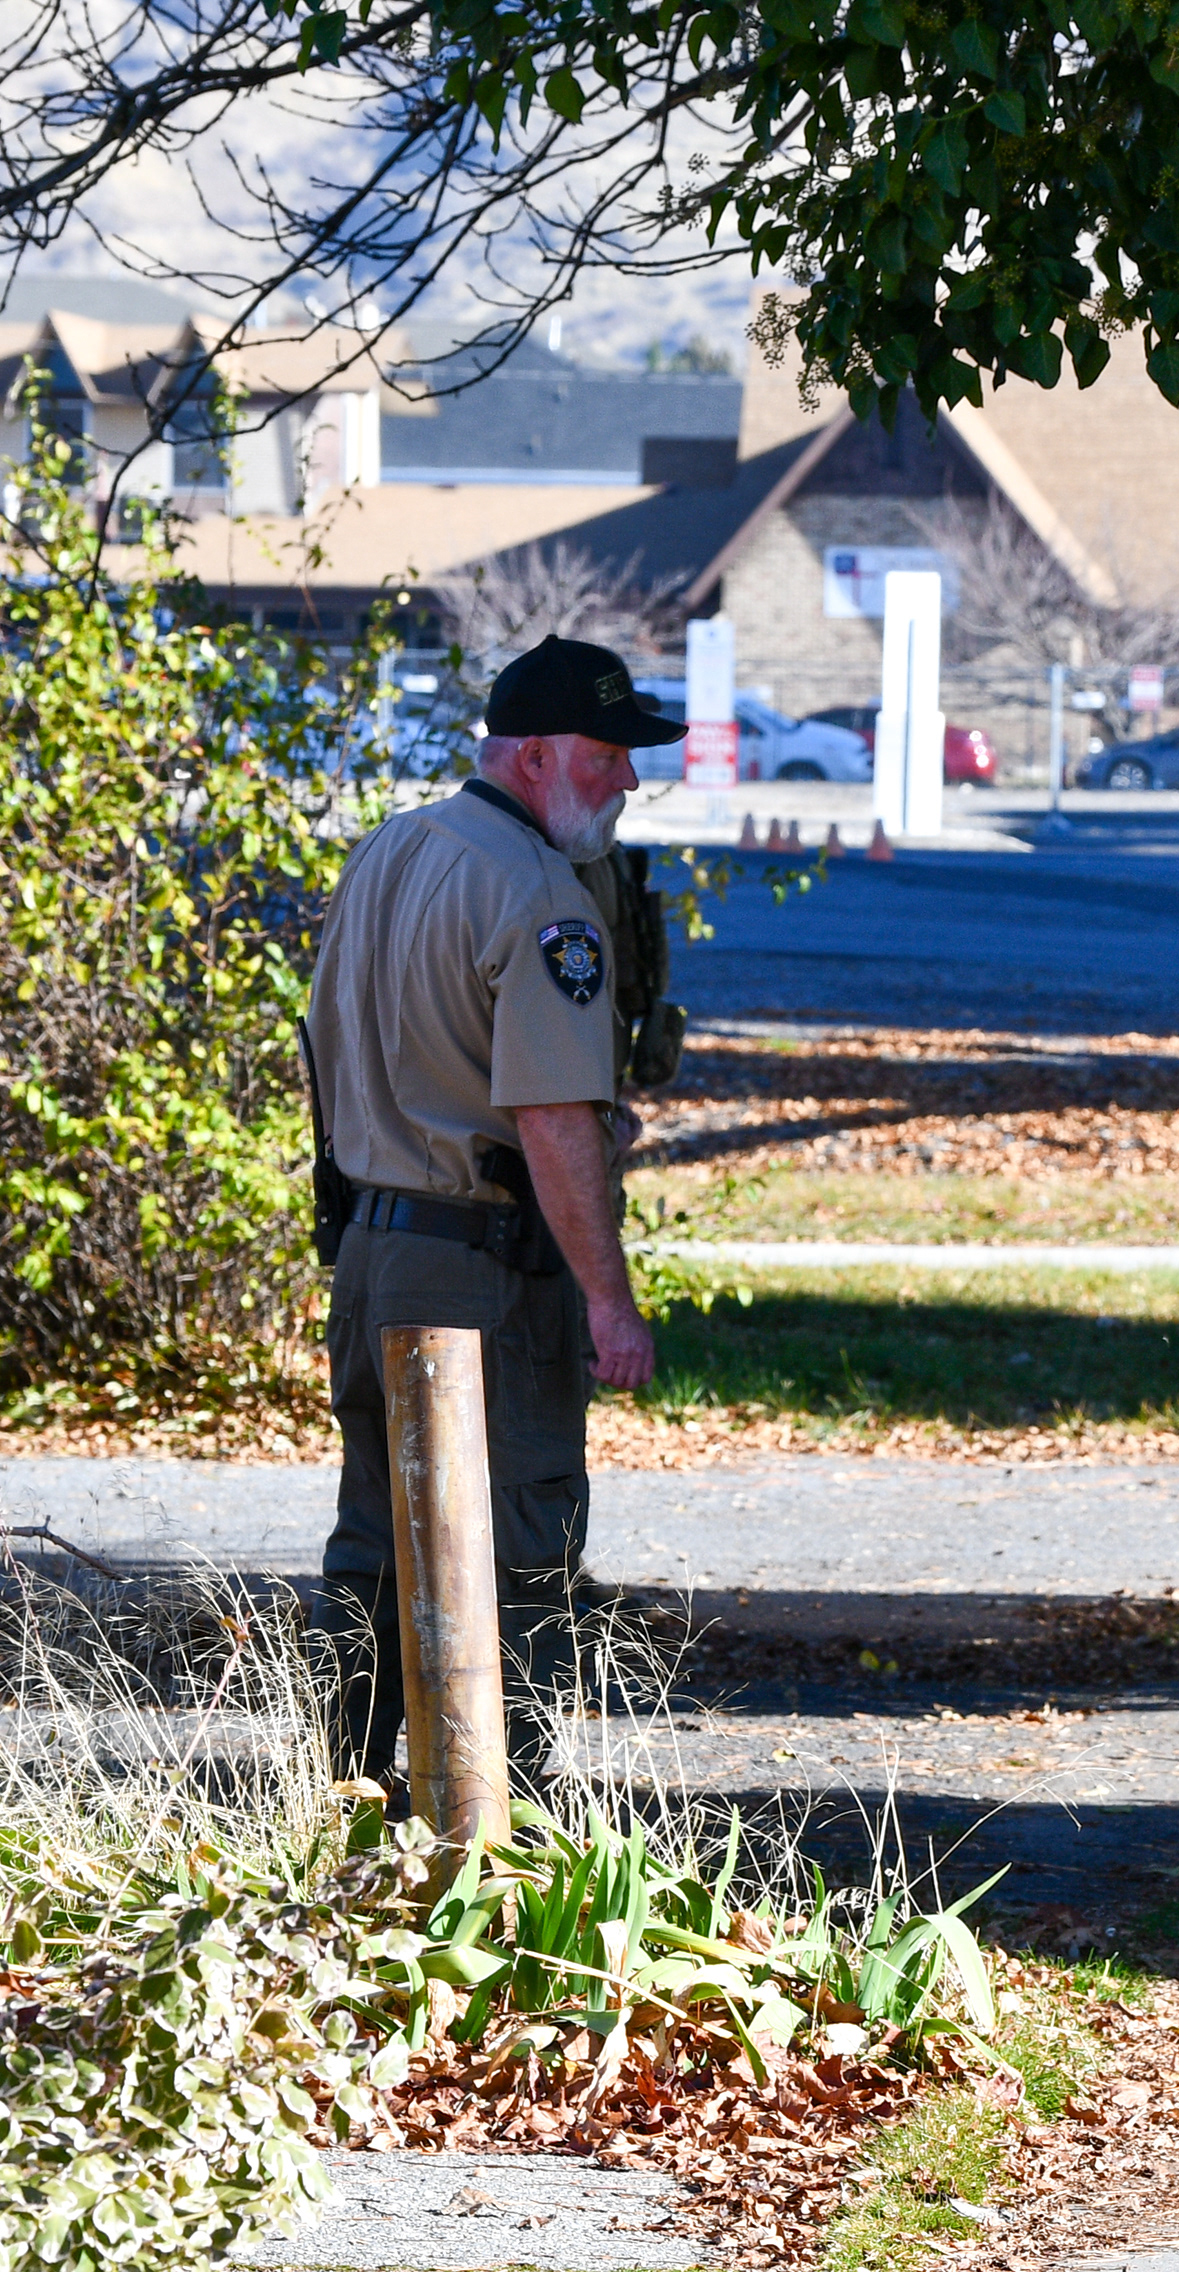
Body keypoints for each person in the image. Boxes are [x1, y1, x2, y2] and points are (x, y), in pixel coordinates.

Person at [304, 634, 684, 1795]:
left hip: (374, 1251)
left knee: (376, 1542)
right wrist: (610, 1304)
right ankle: (499, 1819)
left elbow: (340, 1052)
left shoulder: (390, 849)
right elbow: (553, 1121)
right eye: (607, 754)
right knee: (516, 1545)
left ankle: (348, 1799)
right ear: (532, 757)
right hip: (484, 1273)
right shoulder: (540, 895)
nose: (628, 779)